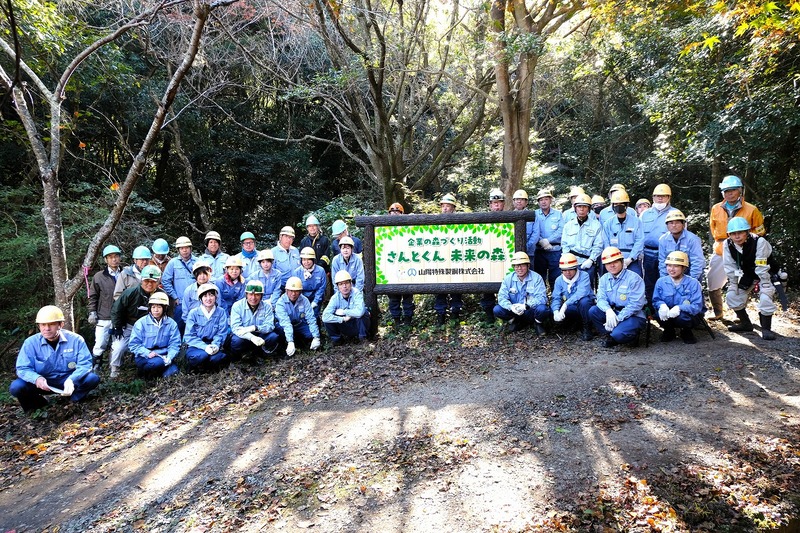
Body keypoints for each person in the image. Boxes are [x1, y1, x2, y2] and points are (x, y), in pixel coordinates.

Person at [9, 306, 100, 413]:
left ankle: (73, 400)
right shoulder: (30, 343)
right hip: (43, 383)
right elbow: (22, 368)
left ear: (60, 324)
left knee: (92, 379)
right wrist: (37, 379)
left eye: (51, 324)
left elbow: (85, 364)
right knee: (17, 387)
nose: (47, 328)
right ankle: (37, 406)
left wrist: (72, 379)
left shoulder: (76, 340)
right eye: (43, 325)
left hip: (68, 381)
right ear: (39, 326)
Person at [707, 175, 766, 320]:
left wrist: (745, 243)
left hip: (744, 252)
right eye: (726, 191)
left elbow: (760, 231)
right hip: (721, 249)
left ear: (740, 190)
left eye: (732, 190)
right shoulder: (716, 209)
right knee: (712, 280)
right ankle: (717, 312)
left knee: (741, 283)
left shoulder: (752, 209)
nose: (729, 193)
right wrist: (722, 242)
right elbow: (713, 228)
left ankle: (740, 314)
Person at [723, 217, 777, 340]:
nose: (737, 236)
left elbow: (761, 265)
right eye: (733, 233)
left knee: (765, 297)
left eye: (740, 232)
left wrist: (764, 284)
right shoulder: (727, 244)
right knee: (732, 296)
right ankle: (745, 324)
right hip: (747, 274)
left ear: (747, 232)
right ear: (729, 235)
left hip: (765, 273)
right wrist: (734, 283)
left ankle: (766, 328)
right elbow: (729, 265)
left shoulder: (759, 242)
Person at [109, 265, 164, 379]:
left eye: (153, 281)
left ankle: (148, 368)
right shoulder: (130, 293)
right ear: (141, 280)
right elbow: (116, 310)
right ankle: (115, 368)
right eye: (147, 281)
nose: (149, 284)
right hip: (129, 325)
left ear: (158, 281)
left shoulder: (161, 295)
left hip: (151, 327)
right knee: (119, 347)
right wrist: (117, 326)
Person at [588, 247, 647, 348]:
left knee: (618, 334)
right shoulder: (604, 279)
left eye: (615, 262)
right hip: (614, 311)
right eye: (608, 263)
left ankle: (629, 335)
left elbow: (635, 305)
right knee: (593, 311)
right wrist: (608, 311)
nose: (612, 265)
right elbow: (601, 299)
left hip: (633, 315)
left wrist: (618, 319)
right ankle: (610, 335)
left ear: (622, 261)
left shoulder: (634, 279)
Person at [653, 251, 704, 344]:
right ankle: (669, 331)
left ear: (683, 268)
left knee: (682, 318)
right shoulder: (661, 282)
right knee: (658, 314)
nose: (671, 269)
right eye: (669, 265)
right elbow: (656, 300)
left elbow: (697, 306)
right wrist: (662, 305)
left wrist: (680, 308)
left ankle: (686, 331)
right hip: (668, 313)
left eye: (676, 266)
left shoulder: (693, 283)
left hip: (686, 316)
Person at [493, 251, 550, 334]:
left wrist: (525, 306)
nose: (519, 268)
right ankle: (515, 321)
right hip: (515, 311)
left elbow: (542, 298)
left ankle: (537, 323)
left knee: (543, 309)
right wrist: (511, 307)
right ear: (514, 267)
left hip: (530, 310)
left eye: (522, 265)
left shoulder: (537, 278)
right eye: (516, 266)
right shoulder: (508, 279)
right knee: (497, 309)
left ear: (528, 266)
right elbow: (501, 298)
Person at [128, 292, 181, 378]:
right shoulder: (141, 323)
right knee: (156, 363)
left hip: (164, 355)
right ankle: (145, 374)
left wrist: (170, 357)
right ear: (150, 308)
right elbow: (133, 344)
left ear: (165, 308)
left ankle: (160, 373)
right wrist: (147, 353)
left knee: (173, 372)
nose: (156, 310)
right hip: (145, 356)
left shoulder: (172, 324)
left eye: (159, 307)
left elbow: (175, 343)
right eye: (153, 307)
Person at [640, 184, 678, 303]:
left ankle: (666, 306)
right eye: (657, 196)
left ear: (669, 197)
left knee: (667, 281)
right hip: (648, 253)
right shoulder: (645, 214)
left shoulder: (675, 213)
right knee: (649, 282)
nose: (660, 198)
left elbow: (682, 236)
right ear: (653, 197)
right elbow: (638, 235)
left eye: (663, 196)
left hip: (668, 254)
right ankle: (650, 308)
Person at [230, 280, 284, 361]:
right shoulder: (237, 306)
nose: (253, 298)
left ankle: (261, 353)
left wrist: (255, 328)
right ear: (246, 295)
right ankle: (239, 357)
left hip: (260, 335)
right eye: (251, 294)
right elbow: (236, 328)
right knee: (236, 340)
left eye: (257, 295)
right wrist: (251, 337)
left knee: (273, 336)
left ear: (261, 296)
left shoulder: (267, 307)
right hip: (244, 336)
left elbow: (270, 326)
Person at [88, 244, 122, 372]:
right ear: (106, 259)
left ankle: (114, 367)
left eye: (116, 256)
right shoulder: (99, 276)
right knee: (100, 342)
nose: (114, 259)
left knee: (117, 343)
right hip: (104, 315)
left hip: (120, 316)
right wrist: (92, 312)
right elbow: (93, 296)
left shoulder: (125, 274)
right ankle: (97, 365)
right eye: (110, 257)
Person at [184, 283, 231, 371]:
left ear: (215, 297)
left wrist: (215, 345)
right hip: (196, 346)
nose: (208, 299)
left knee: (217, 358)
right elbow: (189, 336)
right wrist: (204, 347)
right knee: (202, 356)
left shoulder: (221, 312)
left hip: (213, 344)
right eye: (205, 296)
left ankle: (209, 368)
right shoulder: (193, 313)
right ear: (201, 298)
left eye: (211, 295)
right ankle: (195, 367)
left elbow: (221, 332)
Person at [550, 253, 596, 340]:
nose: (568, 272)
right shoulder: (559, 280)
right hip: (572, 307)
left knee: (584, 301)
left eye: (570, 269)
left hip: (585, 306)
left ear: (576, 268)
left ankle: (587, 328)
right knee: (556, 312)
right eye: (564, 270)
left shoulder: (584, 275)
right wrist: (556, 311)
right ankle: (574, 323)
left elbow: (582, 292)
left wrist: (565, 304)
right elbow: (556, 297)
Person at [561, 193, 603, 283]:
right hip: (571, 263)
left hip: (588, 263)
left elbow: (598, 245)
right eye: (579, 206)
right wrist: (567, 259)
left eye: (585, 206)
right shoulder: (568, 225)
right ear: (575, 208)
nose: (581, 209)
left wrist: (591, 260)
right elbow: (564, 244)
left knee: (587, 288)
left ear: (589, 209)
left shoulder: (596, 225)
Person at [434, 193, 463, 323]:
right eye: (443, 206)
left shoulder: (461, 222)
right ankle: (440, 316)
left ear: (453, 208)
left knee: (457, 290)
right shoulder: (434, 223)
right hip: (440, 262)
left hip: (456, 261)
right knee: (439, 290)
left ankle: (455, 315)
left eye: (448, 206)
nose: (445, 208)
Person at [601, 190, 644, 278]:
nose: (618, 206)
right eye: (616, 204)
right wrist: (612, 259)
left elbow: (639, 241)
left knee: (636, 279)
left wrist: (630, 259)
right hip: (613, 260)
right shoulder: (608, 223)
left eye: (621, 204)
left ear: (626, 205)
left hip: (631, 260)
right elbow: (606, 242)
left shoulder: (636, 222)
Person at [384, 205, 415, 326]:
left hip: (406, 267)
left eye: (398, 212)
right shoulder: (383, 229)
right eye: (392, 212)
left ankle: (407, 321)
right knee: (393, 299)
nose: (395, 214)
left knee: (408, 297)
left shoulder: (408, 229)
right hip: (391, 268)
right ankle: (397, 321)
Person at [275, 276, 321, 356]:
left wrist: (316, 337)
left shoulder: (304, 300)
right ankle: (285, 345)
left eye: (296, 291)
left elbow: (311, 318)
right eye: (291, 291)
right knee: (280, 330)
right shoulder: (280, 303)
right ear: (286, 290)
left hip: (299, 324)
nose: (293, 294)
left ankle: (301, 341)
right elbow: (285, 323)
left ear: (300, 291)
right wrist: (290, 341)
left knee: (310, 334)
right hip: (285, 326)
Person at [323, 271, 370, 345]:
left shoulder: (356, 293)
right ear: (337, 287)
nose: (344, 286)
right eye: (341, 284)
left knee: (364, 313)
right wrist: (342, 319)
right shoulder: (335, 298)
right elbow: (325, 316)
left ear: (351, 284)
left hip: (357, 324)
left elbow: (360, 312)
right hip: (344, 325)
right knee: (328, 320)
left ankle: (363, 339)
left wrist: (344, 312)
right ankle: (337, 340)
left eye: (346, 283)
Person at [480, 188, 506, 321]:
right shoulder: (482, 220)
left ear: (503, 204)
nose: (496, 205)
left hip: (505, 259)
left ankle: (505, 314)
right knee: (487, 287)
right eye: (494, 203)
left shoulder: (510, 219)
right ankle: (489, 315)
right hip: (487, 259)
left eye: (499, 202)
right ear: (490, 204)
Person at [657, 210, 704, 282]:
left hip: (690, 271)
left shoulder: (692, 239)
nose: (674, 225)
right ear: (667, 226)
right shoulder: (663, 239)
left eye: (677, 222)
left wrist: (692, 281)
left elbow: (697, 261)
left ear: (683, 225)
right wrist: (665, 280)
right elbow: (662, 261)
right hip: (672, 271)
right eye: (671, 223)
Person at [161, 236, 196, 332]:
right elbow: (165, 281)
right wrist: (174, 296)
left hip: (196, 301)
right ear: (178, 250)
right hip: (180, 302)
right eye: (182, 248)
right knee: (178, 328)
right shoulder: (173, 263)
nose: (185, 250)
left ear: (190, 248)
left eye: (187, 247)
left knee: (195, 327)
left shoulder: (197, 262)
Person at [533, 188, 564, 290]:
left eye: (546, 199)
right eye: (541, 200)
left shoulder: (558, 214)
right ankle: (541, 299)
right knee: (539, 278)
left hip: (555, 250)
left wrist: (548, 240)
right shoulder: (534, 214)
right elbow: (533, 231)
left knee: (555, 278)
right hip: (539, 251)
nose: (544, 202)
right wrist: (541, 241)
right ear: (538, 202)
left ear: (550, 200)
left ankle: (556, 299)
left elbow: (561, 230)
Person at [293, 247, 327, 317]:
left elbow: (321, 288)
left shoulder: (321, 271)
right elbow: (296, 290)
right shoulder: (297, 272)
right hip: (302, 297)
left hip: (316, 296)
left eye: (309, 259)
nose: (306, 262)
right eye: (304, 260)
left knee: (314, 315)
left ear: (313, 260)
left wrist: (315, 301)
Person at [513, 189, 540, 260]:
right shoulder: (508, 216)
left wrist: (526, 246)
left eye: (522, 199)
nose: (519, 201)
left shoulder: (533, 215)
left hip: (529, 253)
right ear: (513, 201)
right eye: (517, 199)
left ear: (526, 202)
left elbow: (536, 233)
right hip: (513, 252)